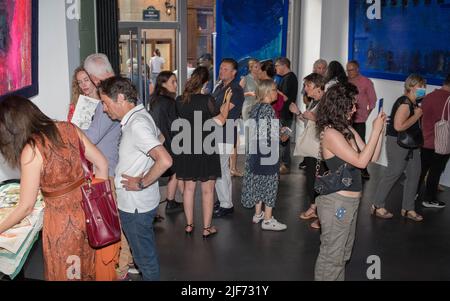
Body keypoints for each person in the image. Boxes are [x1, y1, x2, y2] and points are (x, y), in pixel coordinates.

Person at [0, 95, 109, 281]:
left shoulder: (32, 149)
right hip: (87, 215)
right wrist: (98, 204)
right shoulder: (69, 128)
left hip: (61, 225)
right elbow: (102, 164)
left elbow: (26, 206)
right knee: (86, 271)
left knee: (66, 273)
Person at [99, 76, 172, 281]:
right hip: (139, 203)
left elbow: (165, 160)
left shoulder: (137, 124)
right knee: (143, 257)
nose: (104, 109)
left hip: (136, 206)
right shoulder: (140, 114)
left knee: (144, 260)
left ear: (120, 98)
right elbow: (161, 137)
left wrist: (141, 181)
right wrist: (146, 165)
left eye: (105, 102)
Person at [314, 82, 386, 281]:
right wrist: (373, 131)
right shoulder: (331, 133)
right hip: (337, 202)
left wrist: (379, 132)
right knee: (332, 256)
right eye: (352, 104)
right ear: (340, 105)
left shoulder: (346, 129)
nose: (356, 108)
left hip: (349, 202)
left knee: (342, 254)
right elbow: (361, 162)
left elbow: (372, 156)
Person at [174, 66, 233, 238]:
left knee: (189, 189)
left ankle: (189, 225)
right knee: (208, 190)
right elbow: (221, 121)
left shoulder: (180, 100)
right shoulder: (208, 99)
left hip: (186, 147)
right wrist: (227, 100)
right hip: (206, 148)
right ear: (206, 82)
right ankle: (207, 228)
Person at [83, 53, 123, 280]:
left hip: (108, 172)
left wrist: (70, 132)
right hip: (115, 167)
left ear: (94, 77)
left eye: (88, 79)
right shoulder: (121, 88)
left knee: (109, 230)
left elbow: (93, 136)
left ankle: (118, 271)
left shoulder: (107, 97)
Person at [371, 74, 426, 222]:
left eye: (424, 86)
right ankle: (377, 205)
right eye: (421, 86)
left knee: (415, 173)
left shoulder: (413, 104)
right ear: (411, 87)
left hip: (411, 143)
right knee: (394, 173)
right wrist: (417, 116)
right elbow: (398, 126)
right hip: (398, 142)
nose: (423, 89)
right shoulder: (404, 103)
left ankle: (408, 208)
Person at [241, 79, 287, 231]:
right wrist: (284, 133)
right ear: (267, 92)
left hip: (256, 151)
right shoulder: (268, 109)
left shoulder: (256, 107)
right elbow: (272, 134)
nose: (277, 93)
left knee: (258, 182)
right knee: (269, 184)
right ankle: (267, 220)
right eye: (275, 90)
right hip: (267, 153)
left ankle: (258, 213)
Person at [290, 73, 327, 230]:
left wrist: (314, 118)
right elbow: (309, 122)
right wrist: (299, 113)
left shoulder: (326, 102)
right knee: (311, 180)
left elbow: (329, 122)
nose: (305, 89)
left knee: (320, 181)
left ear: (318, 87)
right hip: (312, 148)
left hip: (321, 149)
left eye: (308, 86)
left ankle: (322, 215)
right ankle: (314, 208)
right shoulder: (314, 101)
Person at [211, 58, 245, 218]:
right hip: (216, 132)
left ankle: (226, 204)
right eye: (221, 68)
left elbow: (222, 110)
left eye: (226, 69)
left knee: (220, 169)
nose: (221, 71)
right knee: (219, 168)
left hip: (225, 133)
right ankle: (223, 199)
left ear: (234, 72)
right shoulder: (220, 86)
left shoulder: (235, 90)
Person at [147, 71, 184, 212]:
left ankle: (168, 202)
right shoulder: (169, 102)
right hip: (169, 142)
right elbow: (175, 126)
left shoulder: (154, 100)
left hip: (156, 142)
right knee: (176, 171)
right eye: (173, 82)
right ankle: (173, 201)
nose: (176, 85)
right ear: (163, 84)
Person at [418, 74, 450, 208]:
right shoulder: (448, 99)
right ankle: (429, 198)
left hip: (425, 140)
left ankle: (413, 193)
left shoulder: (429, 97)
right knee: (435, 171)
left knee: (421, 170)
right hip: (440, 143)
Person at [347, 60, 377, 180]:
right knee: (346, 142)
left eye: (351, 70)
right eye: (347, 70)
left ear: (357, 69)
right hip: (345, 119)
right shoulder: (345, 81)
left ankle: (363, 169)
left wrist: (366, 115)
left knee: (360, 143)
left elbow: (373, 101)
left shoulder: (366, 82)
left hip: (359, 119)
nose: (349, 72)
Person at [275, 57, 298, 175]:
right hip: (282, 112)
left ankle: (285, 164)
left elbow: (286, 97)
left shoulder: (290, 78)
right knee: (282, 138)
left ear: (284, 65)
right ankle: (282, 163)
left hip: (286, 113)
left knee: (285, 139)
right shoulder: (284, 78)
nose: (276, 68)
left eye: (277, 66)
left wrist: (274, 89)